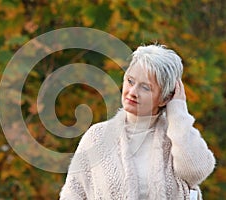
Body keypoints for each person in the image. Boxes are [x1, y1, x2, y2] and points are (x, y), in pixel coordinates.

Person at [59, 44, 215, 200]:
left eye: (145, 88)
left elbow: (196, 172)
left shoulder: (177, 137)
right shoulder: (97, 137)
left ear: (165, 98)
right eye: (130, 81)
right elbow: (73, 194)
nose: (132, 92)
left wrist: (178, 110)